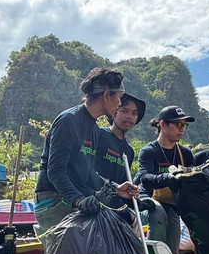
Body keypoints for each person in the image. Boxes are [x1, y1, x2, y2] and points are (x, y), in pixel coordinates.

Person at [34, 67, 138, 236]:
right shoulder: (69, 121)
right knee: (81, 251)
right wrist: (79, 200)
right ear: (106, 95)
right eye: (118, 98)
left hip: (71, 199)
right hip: (53, 200)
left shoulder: (94, 129)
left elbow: (90, 173)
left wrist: (116, 188)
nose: (119, 104)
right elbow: (55, 171)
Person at [135, 106, 196, 254]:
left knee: (173, 252)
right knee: (158, 213)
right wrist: (168, 177)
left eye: (184, 125)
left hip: (172, 205)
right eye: (178, 125)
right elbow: (144, 177)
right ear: (162, 124)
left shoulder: (185, 154)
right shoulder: (149, 151)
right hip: (147, 201)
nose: (181, 129)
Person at [95, 93, 146, 183]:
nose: (129, 116)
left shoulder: (129, 151)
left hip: (115, 196)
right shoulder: (99, 134)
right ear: (114, 112)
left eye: (134, 113)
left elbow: (124, 182)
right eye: (124, 111)